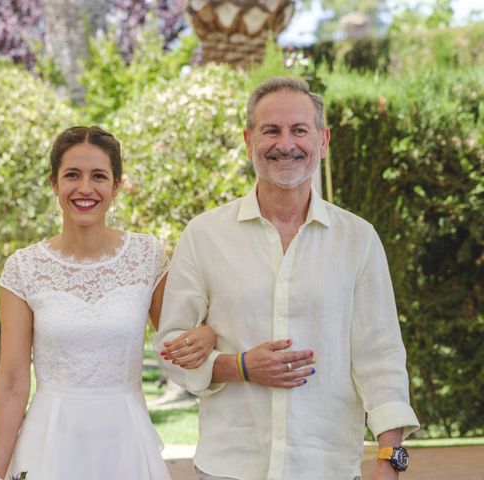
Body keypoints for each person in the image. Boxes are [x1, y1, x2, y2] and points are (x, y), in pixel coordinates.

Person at [155, 77, 420, 480]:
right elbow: (172, 351)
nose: (286, 144)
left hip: (327, 467)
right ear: (248, 140)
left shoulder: (358, 239)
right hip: (230, 466)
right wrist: (240, 366)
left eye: (299, 130)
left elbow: (380, 357)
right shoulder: (204, 235)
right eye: (271, 130)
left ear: (323, 140)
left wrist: (389, 457)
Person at [0, 126, 216, 479]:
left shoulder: (147, 257)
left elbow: (177, 343)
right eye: (72, 176)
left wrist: (208, 334)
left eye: (98, 176)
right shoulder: (24, 268)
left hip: (125, 438)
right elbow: (12, 382)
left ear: (116, 185)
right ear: (54, 184)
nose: (85, 188)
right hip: (50, 441)